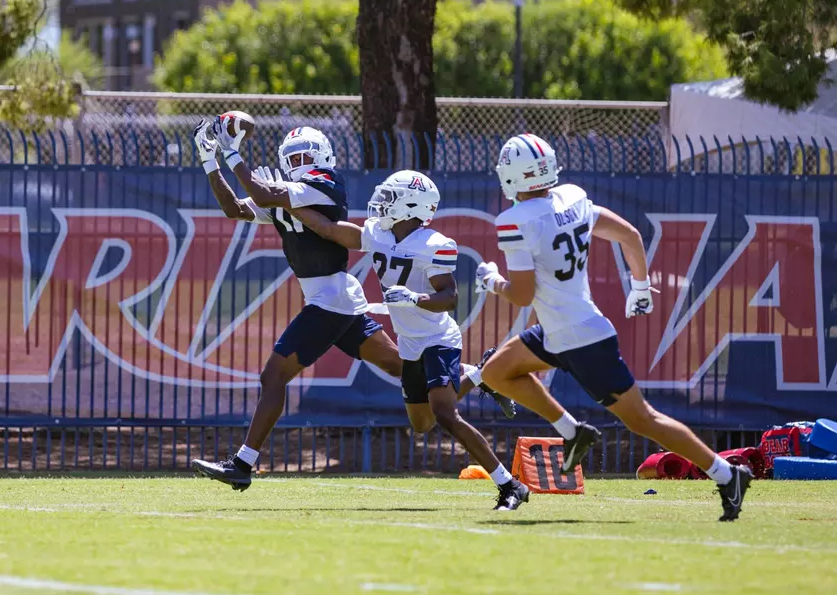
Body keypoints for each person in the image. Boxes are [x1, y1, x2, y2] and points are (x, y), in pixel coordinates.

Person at [475, 133, 753, 521]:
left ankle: (727, 475)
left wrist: (491, 281)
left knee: (643, 419)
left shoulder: (514, 221)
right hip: (564, 329)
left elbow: (521, 295)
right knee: (495, 372)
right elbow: (630, 235)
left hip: (580, 338)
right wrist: (640, 286)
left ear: (510, 176)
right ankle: (572, 431)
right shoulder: (572, 197)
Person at [282, 168, 529, 510]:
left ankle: (509, 485)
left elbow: (449, 297)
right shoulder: (378, 235)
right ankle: (480, 373)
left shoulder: (435, 245)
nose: (381, 203)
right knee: (422, 422)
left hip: (438, 337)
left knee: (445, 414)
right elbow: (328, 229)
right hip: (410, 342)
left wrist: (415, 298)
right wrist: (287, 201)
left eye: (389, 198)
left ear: (411, 206)